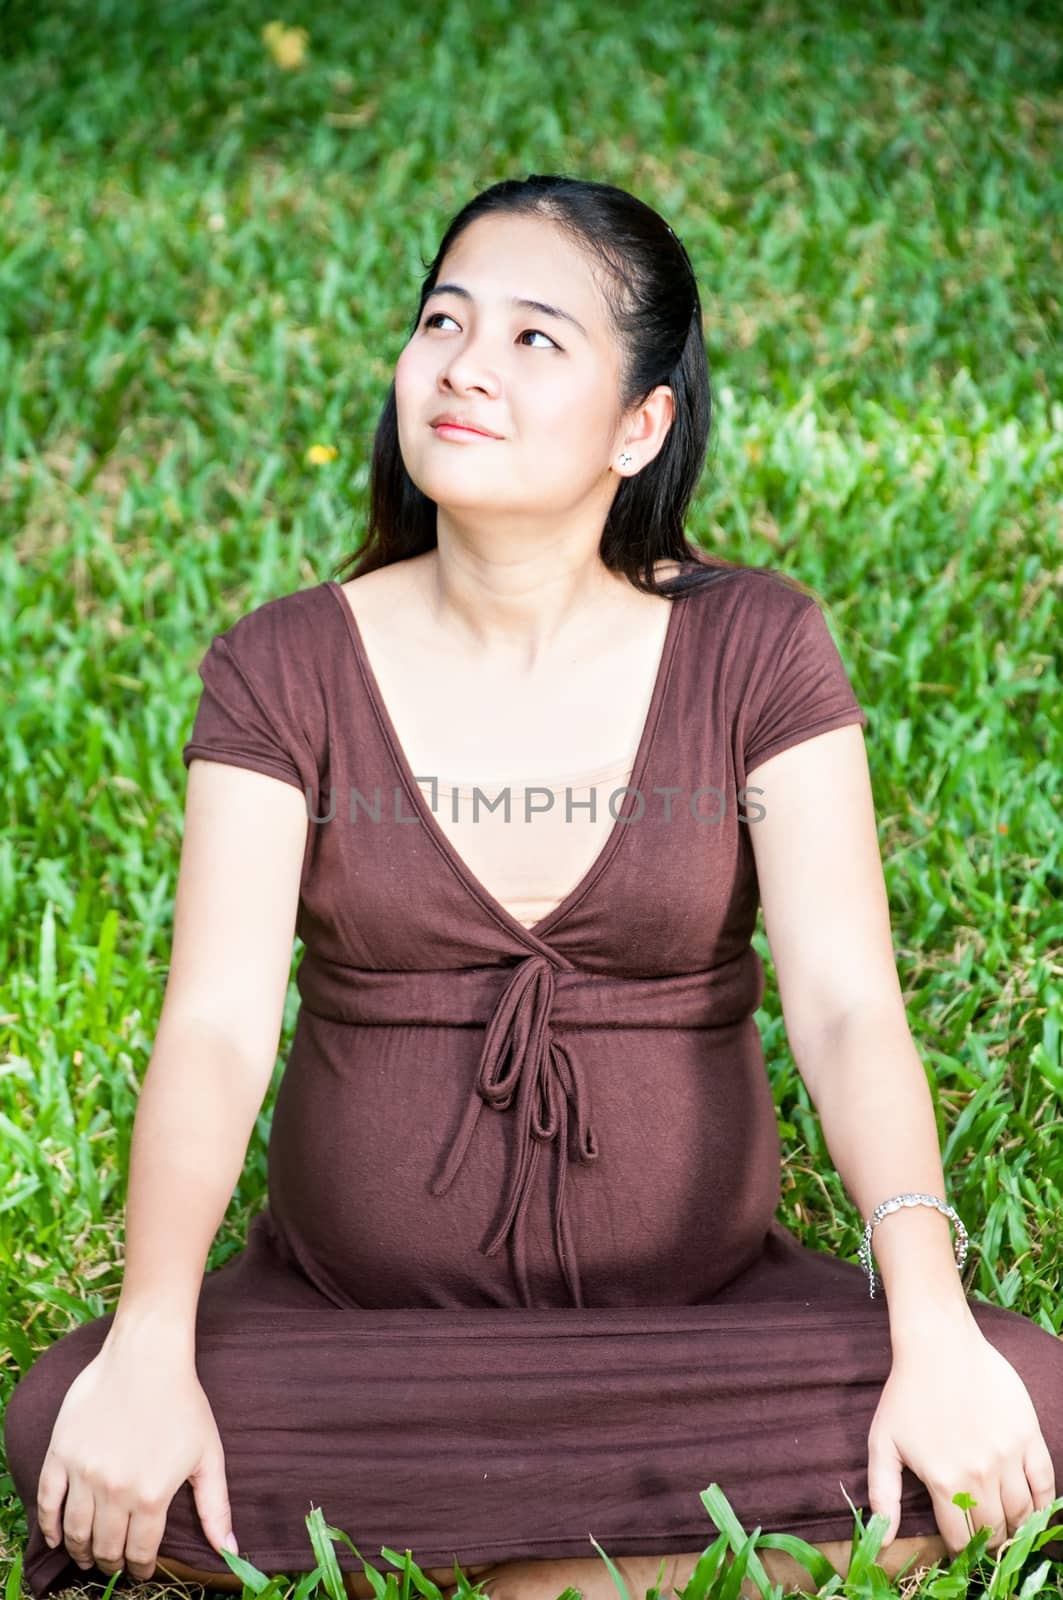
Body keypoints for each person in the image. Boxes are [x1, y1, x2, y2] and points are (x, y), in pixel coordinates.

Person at [4, 174, 1062, 1600]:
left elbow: (848, 1005)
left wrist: (931, 1330)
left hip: (696, 1327)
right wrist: (148, 1341)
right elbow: (213, 1025)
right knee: (64, 1427)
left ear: (643, 424)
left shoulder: (757, 647)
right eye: (445, 318)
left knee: (1028, 1401)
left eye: (534, 338)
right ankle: (643, 1562)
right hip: (354, 1334)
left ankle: (522, 1580)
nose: (464, 364)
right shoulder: (284, 665)